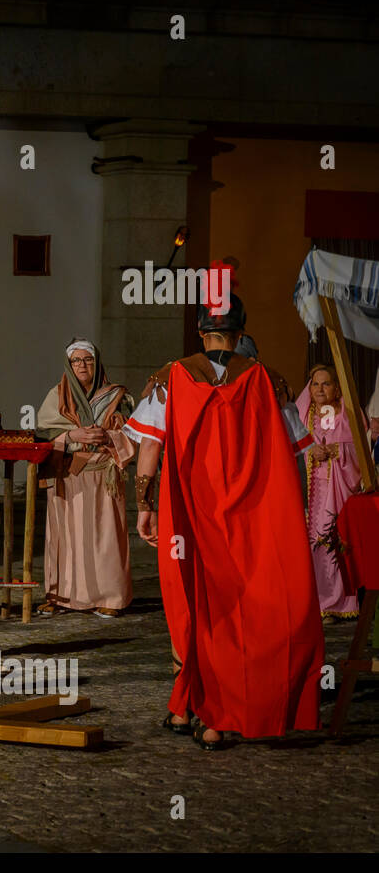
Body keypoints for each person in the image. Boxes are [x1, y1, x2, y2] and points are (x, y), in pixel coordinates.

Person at [124, 266, 322, 751]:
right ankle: (210, 711)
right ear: (241, 331)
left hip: (189, 518)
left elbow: (148, 451)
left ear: (200, 330)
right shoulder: (268, 382)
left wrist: (144, 507)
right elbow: (301, 453)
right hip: (252, 520)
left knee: (191, 606)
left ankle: (193, 708)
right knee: (246, 612)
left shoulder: (170, 379)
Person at [35, 338, 136, 618]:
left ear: (97, 362)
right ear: (69, 365)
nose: (82, 365)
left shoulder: (118, 396)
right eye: (76, 361)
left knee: (106, 538)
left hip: (103, 474)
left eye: (87, 360)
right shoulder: (57, 396)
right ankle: (61, 596)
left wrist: (108, 436)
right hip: (68, 475)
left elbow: (133, 433)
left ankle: (111, 597)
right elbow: (42, 433)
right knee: (66, 538)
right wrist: (70, 436)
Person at [298, 365, 367, 623]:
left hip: (338, 491)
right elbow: (291, 444)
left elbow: (361, 451)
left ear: (337, 388)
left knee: (336, 540)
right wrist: (309, 451)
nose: (319, 389)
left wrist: (340, 451)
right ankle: (317, 601)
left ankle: (339, 604)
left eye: (325, 384)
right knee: (313, 543)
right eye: (315, 384)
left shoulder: (349, 414)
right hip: (310, 489)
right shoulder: (304, 414)